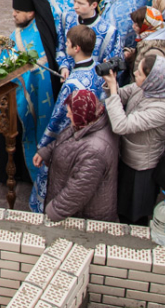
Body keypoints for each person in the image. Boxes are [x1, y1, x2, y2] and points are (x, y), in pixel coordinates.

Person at [30, 24, 105, 212]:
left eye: (68, 43)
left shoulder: (72, 84)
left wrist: (44, 146)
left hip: (69, 140)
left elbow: (57, 119)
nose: (65, 46)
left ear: (76, 48)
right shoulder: (97, 69)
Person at [103, 51, 165, 224]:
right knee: (123, 205)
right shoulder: (146, 87)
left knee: (135, 211)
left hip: (142, 166)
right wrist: (111, 83)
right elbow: (121, 95)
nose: (134, 74)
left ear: (151, 80)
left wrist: (113, 89)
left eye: (139, 73)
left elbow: (121, 125)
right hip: (128, 154)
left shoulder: (162, 108)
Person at [0, 0, 60, 185]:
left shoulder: (36, 37)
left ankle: (22, 172)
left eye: (18, 11)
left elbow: (34, 71)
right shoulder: (27, 28)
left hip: (25, 96)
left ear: (31, 13)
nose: (13, 14)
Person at [36, 89, 119, 223]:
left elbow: (78, 191)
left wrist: (53, 212)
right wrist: (46, 152)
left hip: (84, 216)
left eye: (70, 112)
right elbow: (66, 139)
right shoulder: (87, 122)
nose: (67, 115)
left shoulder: (94, 151)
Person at [56, 0, 121, 74]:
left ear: (93, 5)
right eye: (74, 1)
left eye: (80, 3)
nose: (75, 6)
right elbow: (60, 47)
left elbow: (110, 63)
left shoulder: (108, 32)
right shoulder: (66, 18)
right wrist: (63, 67)